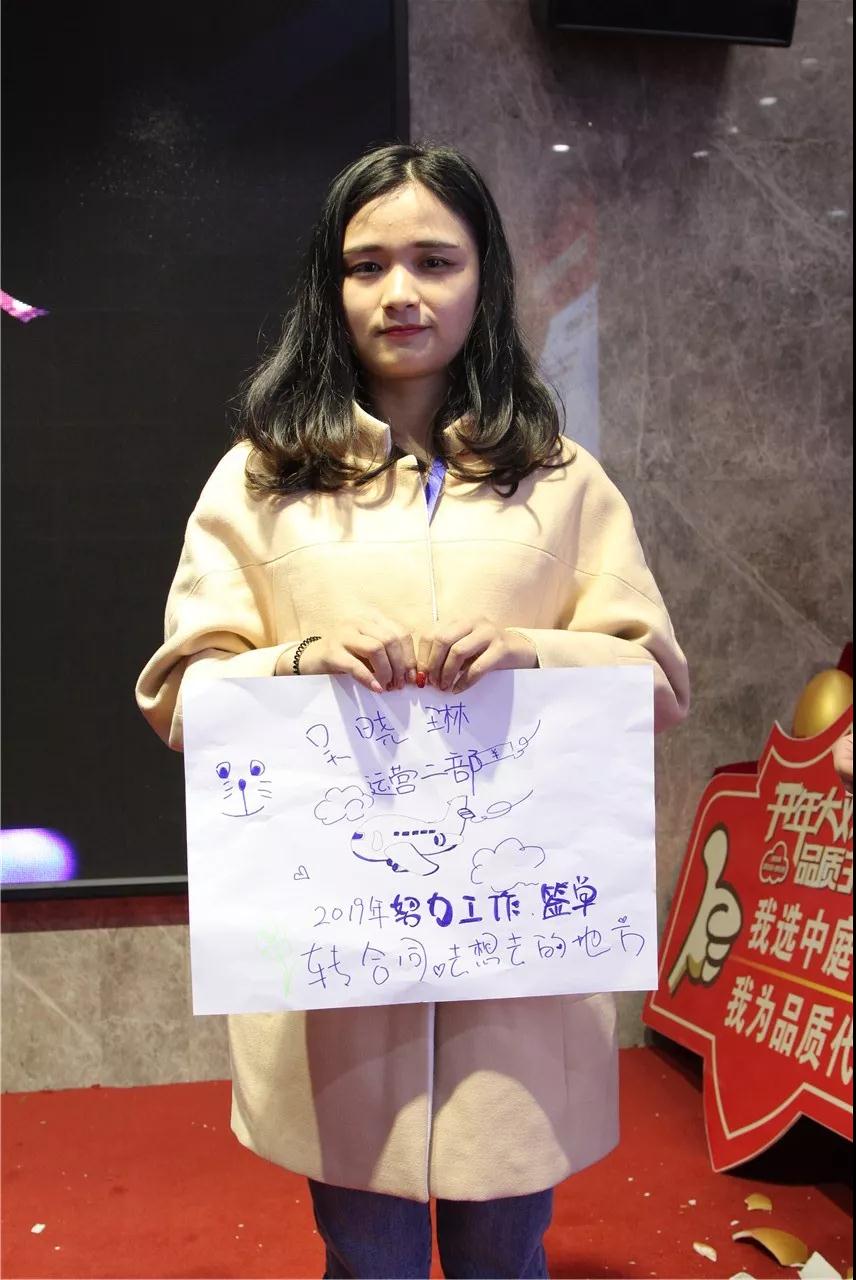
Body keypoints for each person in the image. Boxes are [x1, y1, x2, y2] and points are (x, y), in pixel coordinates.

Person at [136, 143, 690, 1280]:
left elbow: (657, 681)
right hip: (340, 956)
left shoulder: (561, 479)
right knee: (367, 1255)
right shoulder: (261, 479)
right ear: (330, 287)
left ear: (484, 278)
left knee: (506, 1251)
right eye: (367, 265)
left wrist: (536, 651)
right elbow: (182, 691)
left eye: (435, 261)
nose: (401, 292)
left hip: (515, 953)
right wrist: (295, 663)